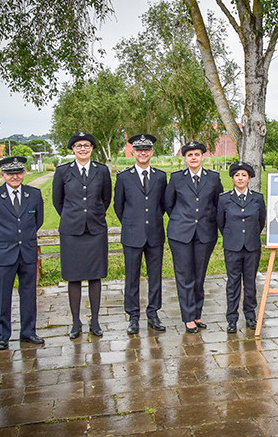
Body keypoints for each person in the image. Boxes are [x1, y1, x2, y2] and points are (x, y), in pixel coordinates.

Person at [0, 156, 44, 350]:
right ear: (2, 175)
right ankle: (3, 335)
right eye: (10, 173)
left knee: (29, 294)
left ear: (24, 173)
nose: (14, 176)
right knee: (2, 296)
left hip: (27, 252)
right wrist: (3, 240)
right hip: (3, 253)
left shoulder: (33, 195)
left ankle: (28, 332)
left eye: (18, 172)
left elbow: (37, 221)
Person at [53, 132, 112, 339]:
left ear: (92, 148)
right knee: (73, 277)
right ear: (72, 149)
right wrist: (75, 217)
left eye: (86, 145)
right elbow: (58, 201)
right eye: (78, 146)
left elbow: (106, 199)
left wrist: (91, 216)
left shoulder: (102, 171)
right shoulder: (63, 172)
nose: (83, 149)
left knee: (95, 276)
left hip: (95, 230)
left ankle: (94, 321)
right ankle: (75, 321)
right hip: (72, 231)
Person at [165, 141, 223, 333]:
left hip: (205, 234)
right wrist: (184, 220)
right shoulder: (176, 178)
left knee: (199, 276)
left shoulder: (213, 178)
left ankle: (197, 314)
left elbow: (218, 204)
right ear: (185, 158)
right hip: (180, 234)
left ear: (202, 156)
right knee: (184, 276)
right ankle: (188, 317)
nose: (194, 158)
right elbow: (169, 204)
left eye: (197, 154)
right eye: (190, 155)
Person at [114, 133, 167, 335]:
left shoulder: (160, 176)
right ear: (133, 152)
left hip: (154, 234)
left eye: (146, 149)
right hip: (132, 234)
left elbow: (163, 204)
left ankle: (153, 313)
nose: (143, 153)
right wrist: (132, 223)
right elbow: (118, 206)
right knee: (132, 277)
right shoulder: (124, 177)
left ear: (152, 152)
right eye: (139, 150)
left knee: (155, 277)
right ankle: (133, 316)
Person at [217, 162, 266, 333]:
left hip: (252, 246)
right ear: (232, 177)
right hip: (232, 246)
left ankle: (250, 315)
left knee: (250, 281)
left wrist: (249, 235)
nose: (240, 178)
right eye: (237, 175)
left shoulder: (257, 198)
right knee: (233, 282)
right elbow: (220, 223)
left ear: (249, 178)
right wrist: (233, 236)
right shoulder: (224, 199)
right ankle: (231, 318)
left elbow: (261, 221)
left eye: (244, 175)